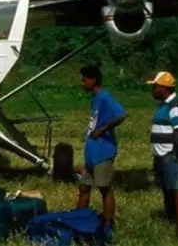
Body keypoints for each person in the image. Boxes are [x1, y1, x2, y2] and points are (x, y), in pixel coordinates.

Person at [76, 64, 128, 240]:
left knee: (104, 188)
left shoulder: (104, 96)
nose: (82, 83)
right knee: (83, 188)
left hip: (103, 151)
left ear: (93, 80)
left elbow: (122, 114)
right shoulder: (95, 98)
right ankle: (78, 220)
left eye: (84, 79)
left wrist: (104, 128)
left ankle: (107, 225)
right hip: (92, 152)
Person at [147, 71, 178, 243]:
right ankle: (170, 217)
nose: (153, 90)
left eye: (155, 87)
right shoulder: (163, 106)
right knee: (166, 189)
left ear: (163, 88)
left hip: (170, 155)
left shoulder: (175, 107)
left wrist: (175, 154)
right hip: (161, 155)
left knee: (175, 191)